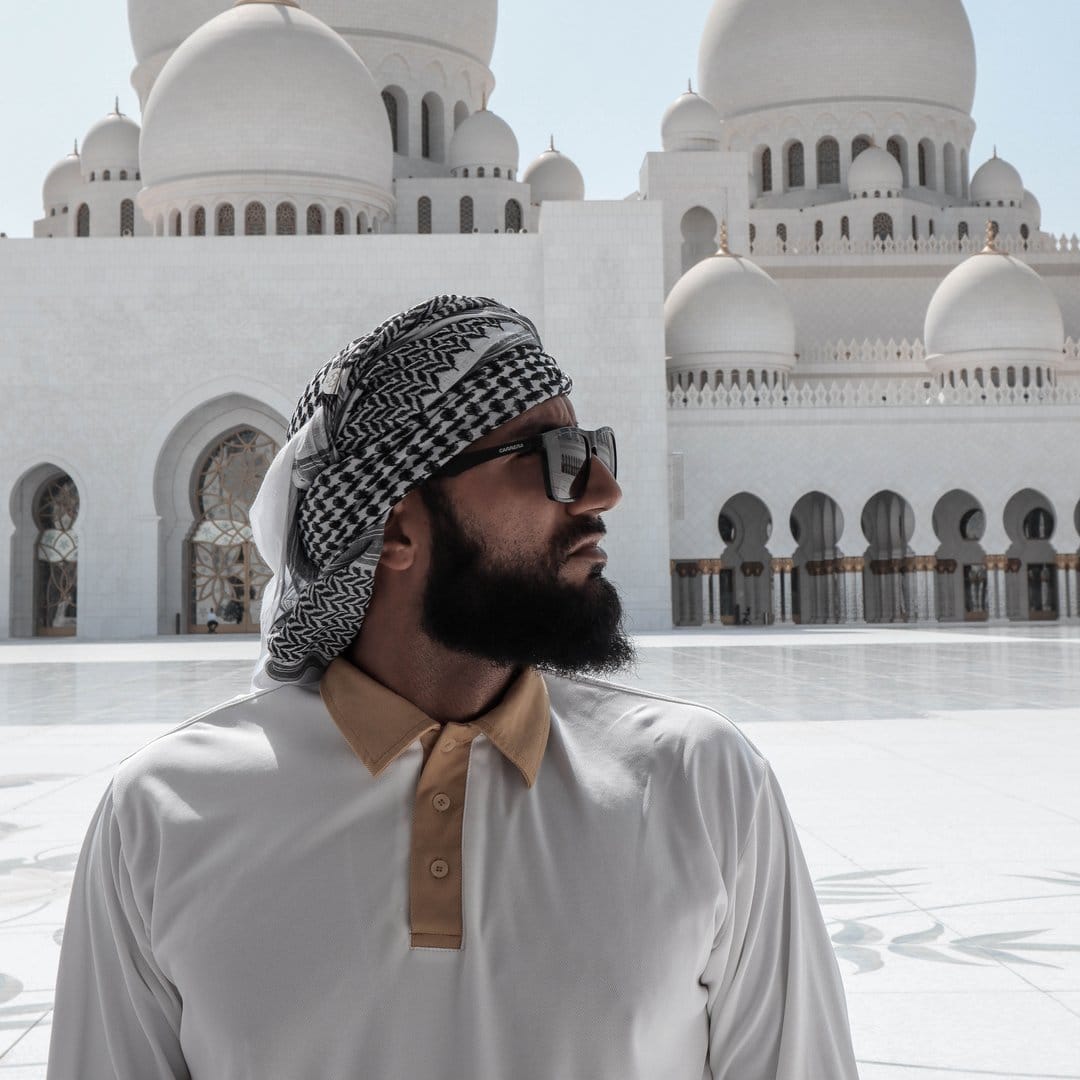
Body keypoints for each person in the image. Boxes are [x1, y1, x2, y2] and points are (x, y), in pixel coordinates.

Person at [48, 296, 858, 1079]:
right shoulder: (163, 815)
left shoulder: (699, 784)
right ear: (396, 525)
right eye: (554, 461)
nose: (603, 494)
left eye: (595, 453)